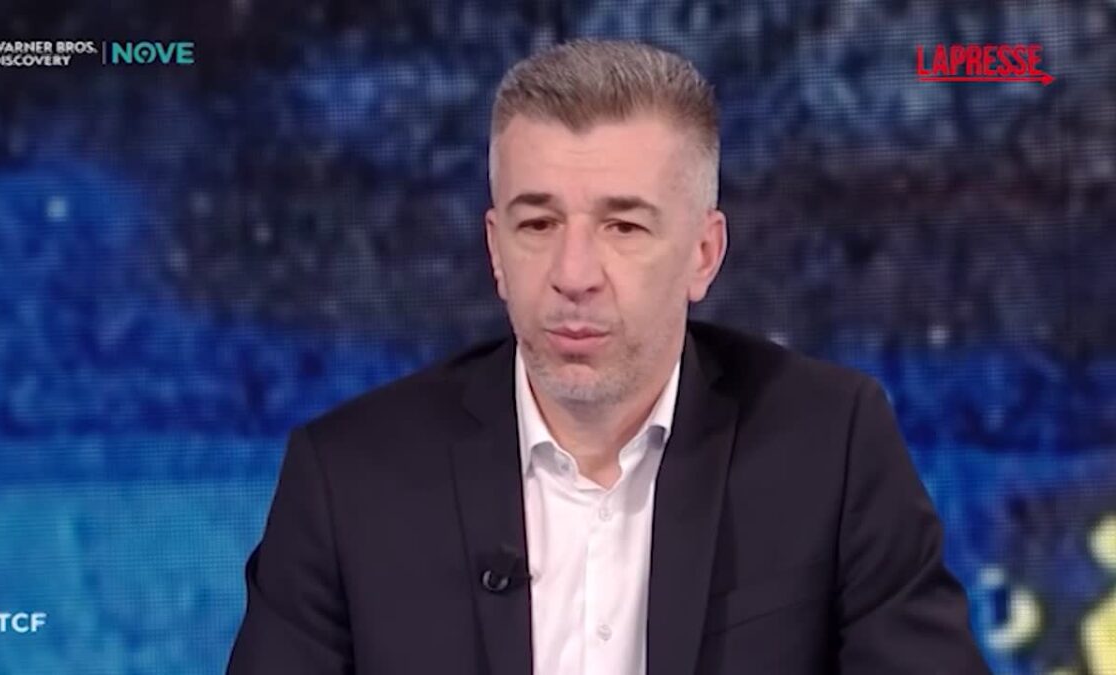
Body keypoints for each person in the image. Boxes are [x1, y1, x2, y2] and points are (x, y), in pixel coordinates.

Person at [226, 38, 990, 674]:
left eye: (623, 227)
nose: (574, 273)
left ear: (703, 252)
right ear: (495, 250)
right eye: (537, 225)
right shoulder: (347, 477)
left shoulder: (831, 446)